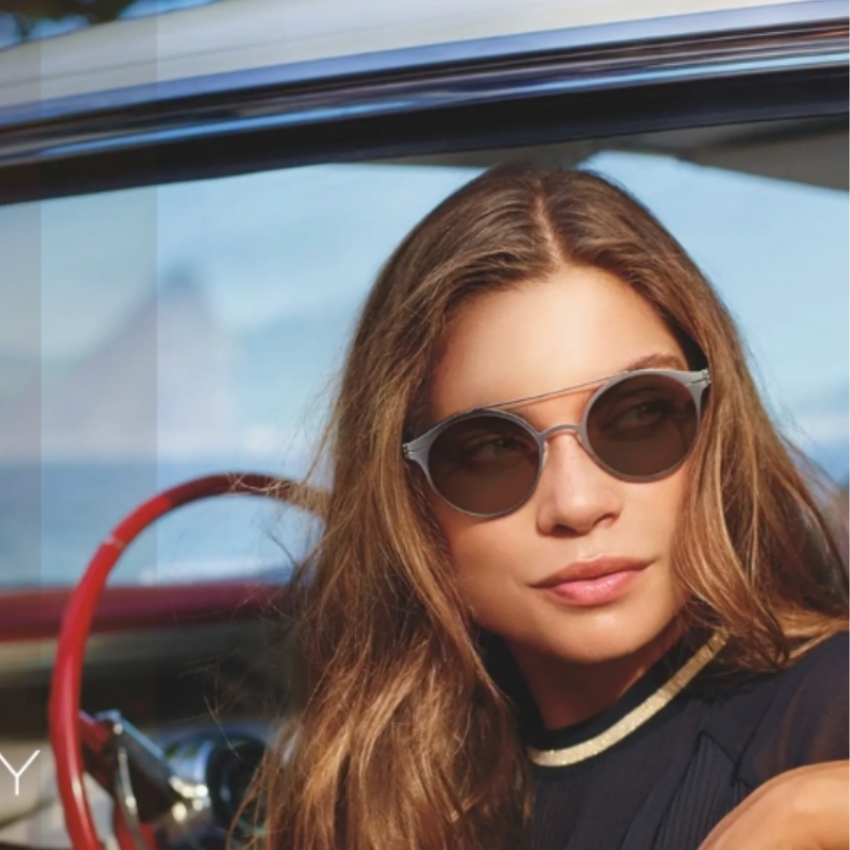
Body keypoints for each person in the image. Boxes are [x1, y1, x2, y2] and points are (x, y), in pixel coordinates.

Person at [251, 165, 849, 850]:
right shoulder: (385, 799)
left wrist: (805, 812)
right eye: (490, 451)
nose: (577, 503)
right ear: (408, 498)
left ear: (714, 426)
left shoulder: (826, 714)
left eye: (639, 415)